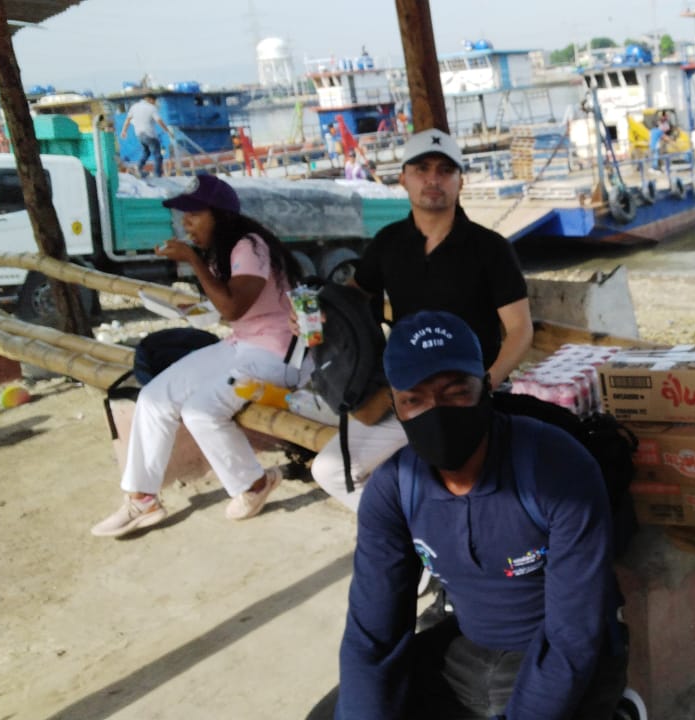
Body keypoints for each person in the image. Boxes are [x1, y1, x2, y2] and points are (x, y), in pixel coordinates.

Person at [336, 310, 626, 718]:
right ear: (396, 406)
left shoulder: (555, 472)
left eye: (456, 392)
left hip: (559, 653)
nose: (436, 412)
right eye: (414, 400)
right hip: (468, 650)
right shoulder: (395, 489)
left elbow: (572, 637)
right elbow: (373, 635)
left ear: (486, 388)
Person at [308, 127, 532, 511]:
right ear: (403, 179)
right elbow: (351, 302)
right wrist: (316, 317)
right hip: (406, 391)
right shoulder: (389, 243)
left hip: (470, 390)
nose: (433, 179)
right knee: (330, 470)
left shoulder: (489, 248)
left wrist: (486, 383)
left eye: (445, 170)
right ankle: (408, 531)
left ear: (460, 181)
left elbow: (520, 330)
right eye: (422, 169)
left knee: (470, 479)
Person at [91, 175, 302, 538]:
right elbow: (230, 309)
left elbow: (233, 307)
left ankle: (254, 484)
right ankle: (142, 499)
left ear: (221, 215)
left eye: (194, 214)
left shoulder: (250, 246)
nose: (185, 223)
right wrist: (197, 302)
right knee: (154, 396)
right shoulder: (224, 249)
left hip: (277, 353)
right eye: (183, 216)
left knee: (200, 410)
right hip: (241, 345)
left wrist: (191, 258)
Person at [119, 94, 172, 178]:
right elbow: (159, 120)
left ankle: (138, 168)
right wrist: (167, 131)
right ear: (151, 100)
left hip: (139, 135)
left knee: (146, 152)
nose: (155, 103)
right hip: (149, 134)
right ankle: (157, 174)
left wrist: (124, 131)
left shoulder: (134, 107)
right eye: (154, 101)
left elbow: (128, 120)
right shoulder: (151, 108)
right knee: (157, 155)